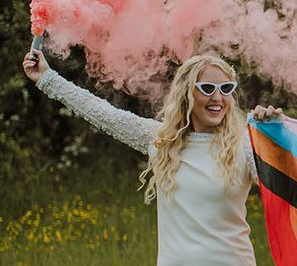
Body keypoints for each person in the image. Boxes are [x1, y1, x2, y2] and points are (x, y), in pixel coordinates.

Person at [22, 48, 276, 266]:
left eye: (226, 88)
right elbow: (101, 112)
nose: (218, 98)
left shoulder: (245, 146)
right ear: (187, 94)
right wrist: (46, 77)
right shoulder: (162, 140)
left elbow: (291, 179)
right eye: (207, 88)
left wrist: (276, 136)